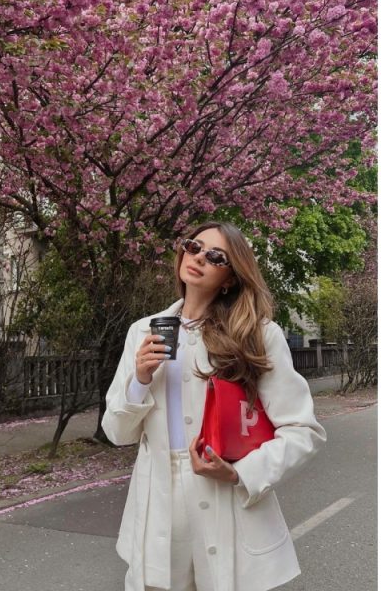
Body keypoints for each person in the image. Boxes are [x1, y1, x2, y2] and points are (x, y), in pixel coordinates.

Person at [101, 221, 326, 591]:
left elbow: (304, 431)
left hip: (225, 493)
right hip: (156, 502)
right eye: (193, 246)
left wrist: (242, 473)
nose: (199, 257)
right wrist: (140, 380)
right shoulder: (143, 332)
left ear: (230, 278)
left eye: (215, 256)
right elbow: (118, 433)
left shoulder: (255, 334)